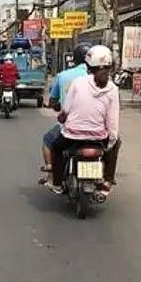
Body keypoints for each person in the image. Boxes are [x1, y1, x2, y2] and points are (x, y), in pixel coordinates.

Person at [49, 45, 120, 194]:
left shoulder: (78, 82)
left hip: (72, 136)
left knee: (55, 148)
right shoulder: (113, 88)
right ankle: (107, 181)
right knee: (116, 143)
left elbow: (66, 110)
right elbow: (112, 120)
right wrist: (111, 141)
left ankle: (57, 183)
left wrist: (62, 118)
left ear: (88, 65)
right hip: (98, 138)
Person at [39, 43, 91, 181]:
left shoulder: (63, 76)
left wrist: (52, 106)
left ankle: (52, 172)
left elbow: (55, 102)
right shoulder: (102, 79)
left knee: (48, 140)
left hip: (71, 128)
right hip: (98, 130)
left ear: (74, 59)